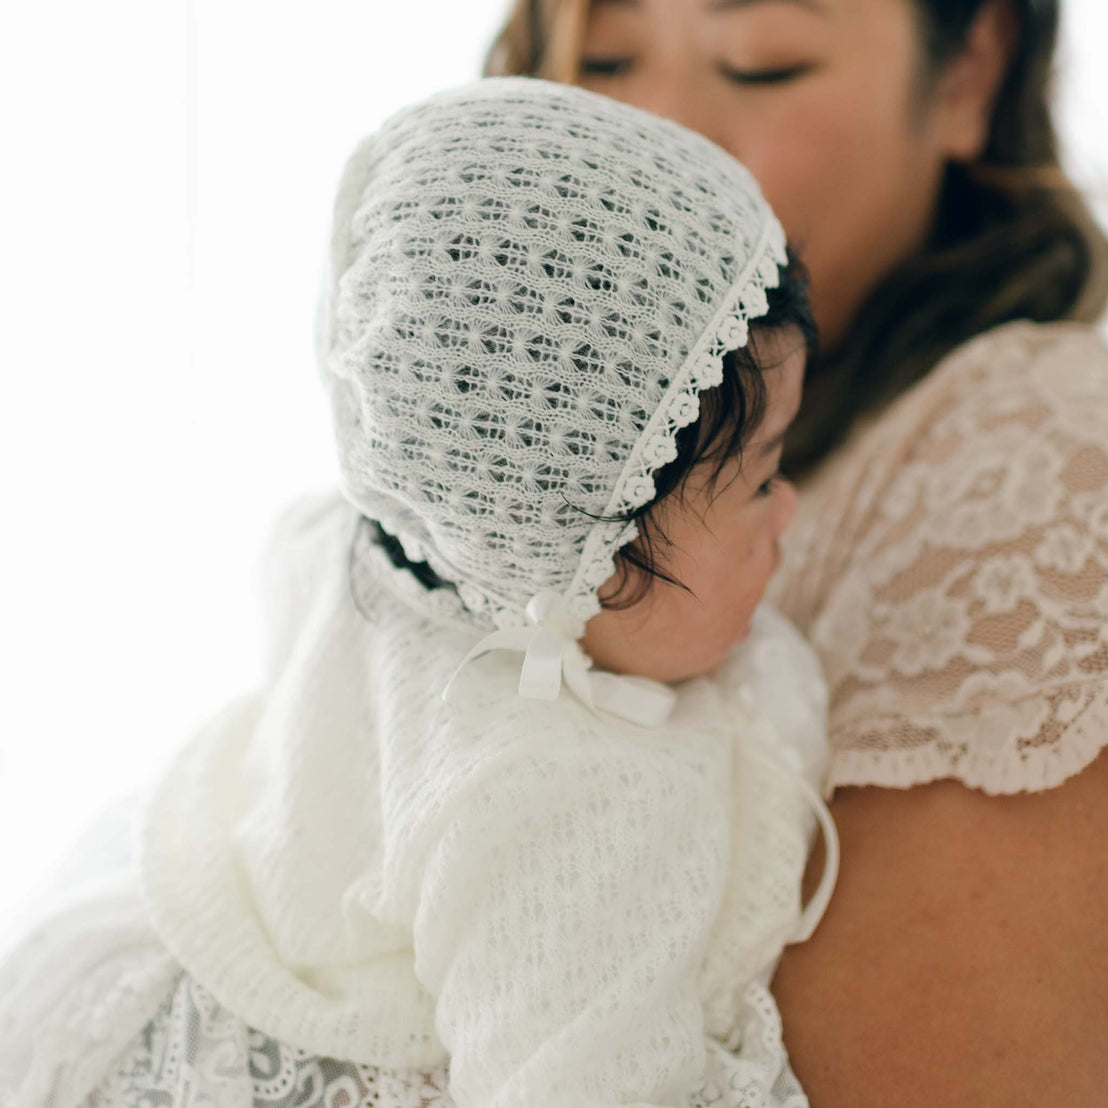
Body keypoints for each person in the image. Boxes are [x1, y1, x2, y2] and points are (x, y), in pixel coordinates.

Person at [1, 79, 840, 1108]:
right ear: (592, 557)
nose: (789, 508)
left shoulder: (374, 539)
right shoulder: (568, 810)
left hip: (188, 917)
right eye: (758, 479)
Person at [485, 0, 1108, 1102]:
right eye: (607, 57)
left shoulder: (1037, 449)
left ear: (968, 70)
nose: (656, 140)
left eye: (760, 61)